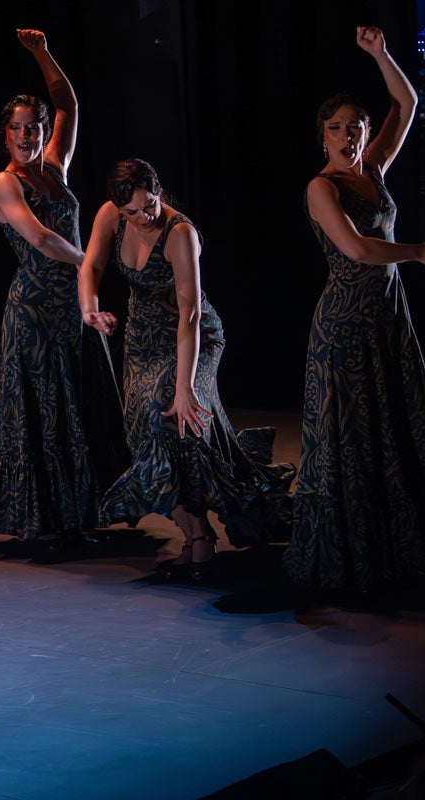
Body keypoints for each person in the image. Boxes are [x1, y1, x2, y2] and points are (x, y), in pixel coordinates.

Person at [283, 26, 425, 595]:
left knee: (394, 432)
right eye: (336, 129)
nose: (348, 136)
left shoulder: (374, 169)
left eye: (356, 127)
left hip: (388, 320)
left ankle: (397, 551)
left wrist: (380, 54)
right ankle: (351, 559)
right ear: (323, 138)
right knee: (355, 444)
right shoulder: (322, 187)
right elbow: (358, 250)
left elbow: (406, 103)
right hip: (344, 327)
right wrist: (415, 251)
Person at [78, 159, 296, 581]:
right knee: (143, 430)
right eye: (135, 212)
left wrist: (183, 387)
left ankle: (217, 523)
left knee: (174, 416)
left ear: (159, 191)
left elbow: (190, 315)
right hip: (143, 340)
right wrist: (90, 310)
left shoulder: (180, 234)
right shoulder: (110, 216)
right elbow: (91, 266)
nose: (146, 216)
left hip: (192, 337)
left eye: (151, 204)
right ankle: (196, 532)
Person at [0, 29, 130, 551]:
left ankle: (80, 512)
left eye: (33, 127)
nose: (26, 135)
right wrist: (93, 260)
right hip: (36, 311)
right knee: (45, 407)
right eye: (16, 128)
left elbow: (68, 102)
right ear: (6, 135)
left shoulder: (57, 168)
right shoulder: (5, 182)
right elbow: (40, 238)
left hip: (75, 307)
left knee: (80, 406)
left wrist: (42, 54)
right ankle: (42, 517)